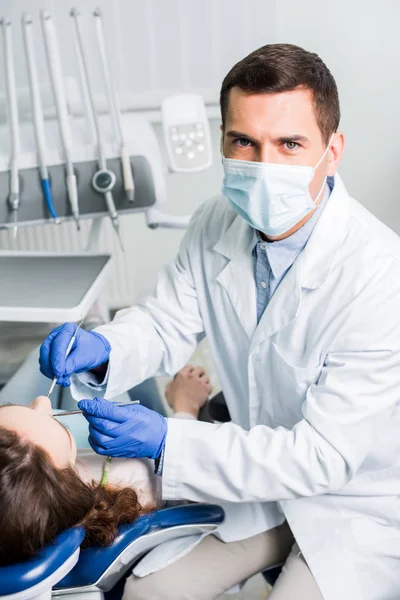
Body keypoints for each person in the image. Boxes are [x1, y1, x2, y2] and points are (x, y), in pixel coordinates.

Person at [39, 43, 400, 600]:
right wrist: (104, 348)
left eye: (290, 144)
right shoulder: (216, 221)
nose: (262, 166)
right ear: (223, 140)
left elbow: (324, 457)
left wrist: (169, 439)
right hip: (257, 481)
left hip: (355, 502)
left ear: (333, 151)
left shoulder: (378, 274)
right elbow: (164, 321)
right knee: (148, 593)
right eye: (243, 142)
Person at [0, 366, 212, 569]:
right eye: (57, 424)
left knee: (82, 367)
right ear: (67, 486)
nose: (42, 401)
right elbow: (195, 466)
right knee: (128, 377)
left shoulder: (32, 480)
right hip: (172, 451)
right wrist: (186, 407)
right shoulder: (136, 481)